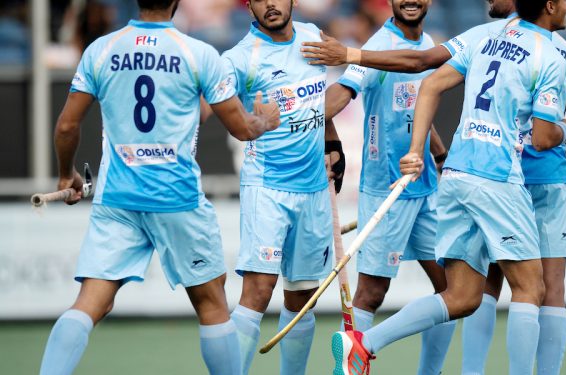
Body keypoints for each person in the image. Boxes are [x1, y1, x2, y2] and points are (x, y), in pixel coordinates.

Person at [304, 1, 566, 373]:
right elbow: (545, 136)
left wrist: (420, 150)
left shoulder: (484, 36)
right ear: (549, 6)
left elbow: (430, 80)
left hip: (454, 175)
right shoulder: (552, 53)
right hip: (499, 176)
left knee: (462, 295)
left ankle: (364, 343)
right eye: (565, 1)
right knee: (534, 288)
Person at [38, 0, 281, 374]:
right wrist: (264, 121)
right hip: (177, 198)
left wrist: (65, 174)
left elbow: (67, 127)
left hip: (117, 199)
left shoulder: (101, 50)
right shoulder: (198, 52)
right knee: (212, 303)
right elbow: (243, 129)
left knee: (90, 303)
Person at [324, 1, 454, 374]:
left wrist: (440, 153)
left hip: (426, 189)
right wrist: (311, 116)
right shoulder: (377, 45)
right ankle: (349, 367)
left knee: (452, 289)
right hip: (386, 189)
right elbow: (345, 90)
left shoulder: (429, 43)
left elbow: (419, 112)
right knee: (372, 292)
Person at [220, 1, 343, 374]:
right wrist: (252, 121)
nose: (270, 4)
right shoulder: (239, 58)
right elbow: (215, 108)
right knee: (258, 291)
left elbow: (318, 102)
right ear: (250, 6)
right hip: (268, 187)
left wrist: (333, 145)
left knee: (302, 297)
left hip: (313, 189)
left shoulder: (313, 38)